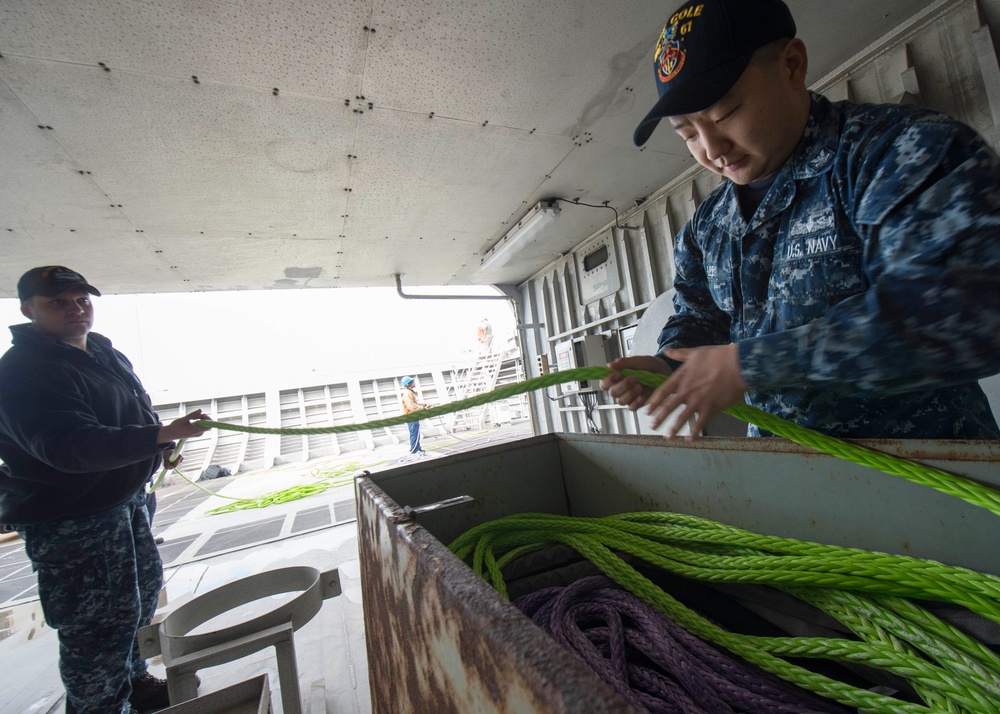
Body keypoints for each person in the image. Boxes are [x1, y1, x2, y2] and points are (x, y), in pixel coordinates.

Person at [601, 0, 1000, 441]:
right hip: (789, 482)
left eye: (724, 115)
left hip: (931, 480)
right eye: (689, 134)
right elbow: (700, 315)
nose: (711, 149)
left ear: (792, 66)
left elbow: (969, 306)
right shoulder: (707, 228)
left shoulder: (898, 152)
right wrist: (668, 365)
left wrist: (753, 363)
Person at [0, 266, 211, 713]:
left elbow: (132, 412)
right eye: (58, 302)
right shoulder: (24, 371)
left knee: (135, 604)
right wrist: (156, 437)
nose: (75, 310)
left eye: (82, 300)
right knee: (96, 626)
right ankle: (99, 707)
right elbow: (70, 447)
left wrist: (159, 448)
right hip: (74, 519)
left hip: (125, 502)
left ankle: (132, 684)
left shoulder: (99, 350)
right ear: (28, 310)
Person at [400, 376, 431, 455]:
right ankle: (414, 450)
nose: (414, 382)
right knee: (414, 434)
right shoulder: (407, 393)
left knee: (416, 434)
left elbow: (415, 404)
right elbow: (411, 406)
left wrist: (424, 405)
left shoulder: (410, 392)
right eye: (412, 381)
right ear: (408, 384)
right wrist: (422, 408)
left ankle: (417, 449)